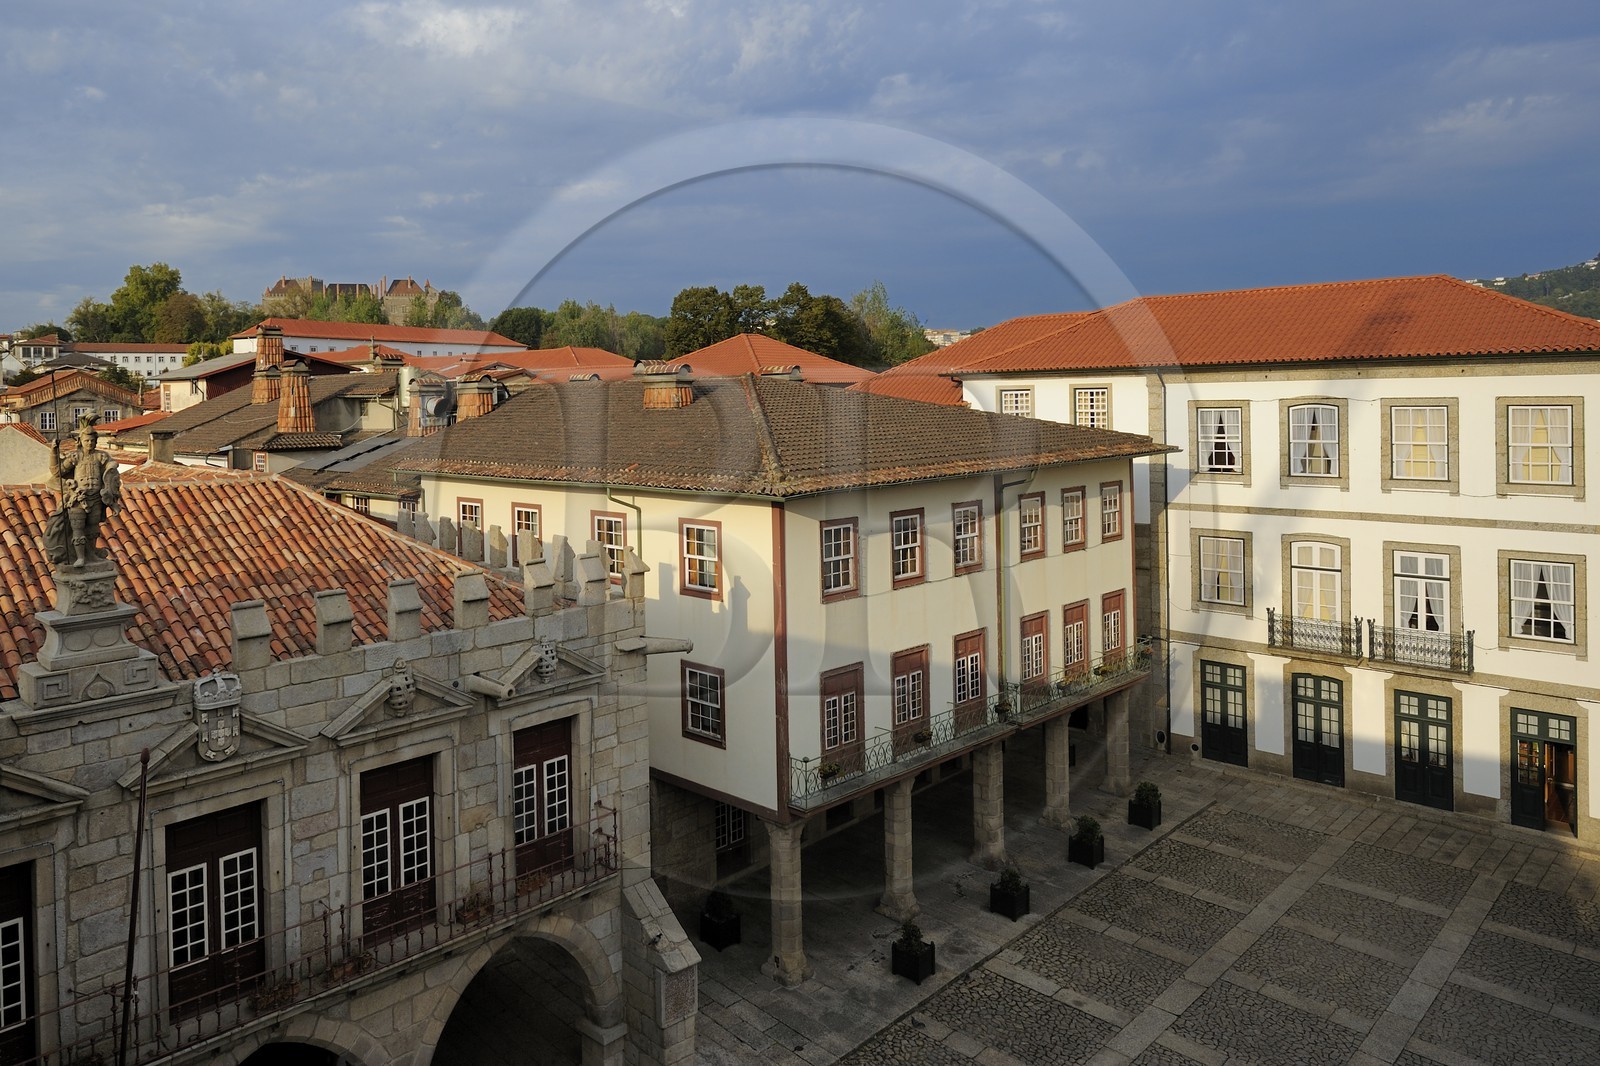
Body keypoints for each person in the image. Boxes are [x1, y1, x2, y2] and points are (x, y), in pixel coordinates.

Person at [44, 415, 122, 568]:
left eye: (92, 440)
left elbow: (110, 470)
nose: (90, 443)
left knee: (93, 529)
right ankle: (80, 558)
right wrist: (54, 451)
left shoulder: (101, 456)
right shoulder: (75, 456)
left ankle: (91, 554)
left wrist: (111, 466)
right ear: (80, 441)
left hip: (96, 498)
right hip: (78, 499)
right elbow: (57, 471)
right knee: (78, 529)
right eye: (87, 440)